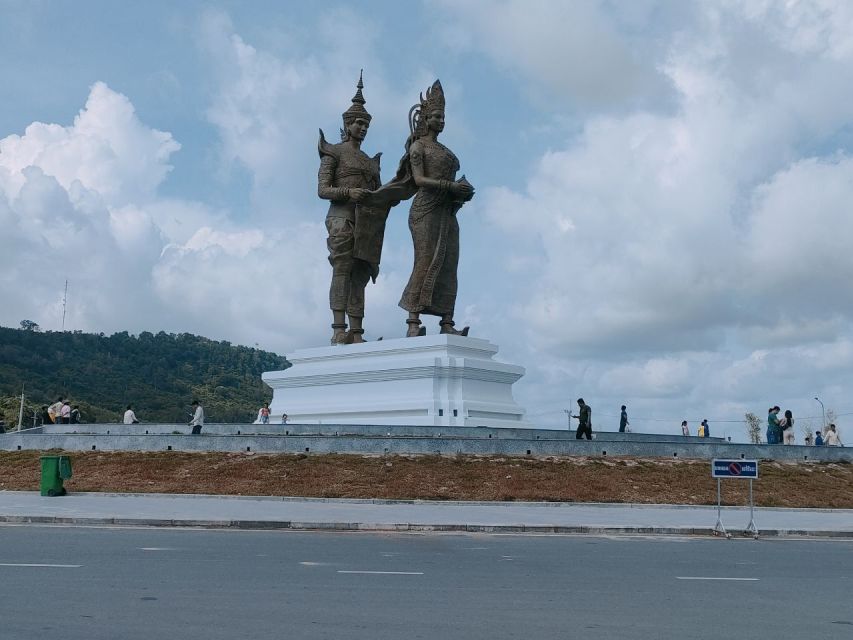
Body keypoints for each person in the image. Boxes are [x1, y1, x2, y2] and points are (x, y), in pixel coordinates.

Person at [396, 80, 475, 338]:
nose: (441, 121)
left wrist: (461, 193)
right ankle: (412, 321)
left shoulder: (447, 152)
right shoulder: (418, 148)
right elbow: (419, 181)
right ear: (426, 118)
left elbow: (451, 187)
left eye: (443, 116)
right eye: (437, 116)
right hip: (425, 210)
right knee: (425, 260)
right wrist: (450, 186)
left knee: (449, 262)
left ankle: (446, 320)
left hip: (447, 211)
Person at [318, 72, 383, 345]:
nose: (363, 128)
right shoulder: (333, 151)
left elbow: (380, 195)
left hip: (365, 222)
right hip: (341, 217)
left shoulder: (370, 162)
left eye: (366, 124)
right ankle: (337, 329)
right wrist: (348, 192)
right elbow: (323, 190)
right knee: (342, 269)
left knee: (360, 273)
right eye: (358, 123)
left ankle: (356, 331)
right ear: (347, 124)